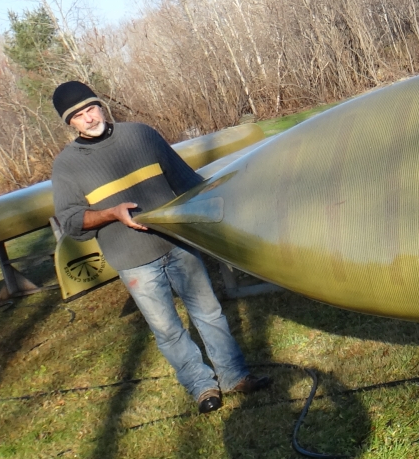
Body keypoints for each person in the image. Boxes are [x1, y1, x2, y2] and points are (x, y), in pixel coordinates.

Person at [50, 81, 268, 413]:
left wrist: (223, 209)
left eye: (91, 108)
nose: (89, 118)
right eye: (78, 116)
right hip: (132, 260)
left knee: (209, 314)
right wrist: (112, 213)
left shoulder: (141, 135)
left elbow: (187, 182)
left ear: (101, 105)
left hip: (178, 244)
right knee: (167, 330)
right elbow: (70, 221)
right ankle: (203, 387)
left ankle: (234, 376)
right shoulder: (67, 165)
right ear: (70, 124)